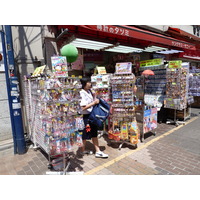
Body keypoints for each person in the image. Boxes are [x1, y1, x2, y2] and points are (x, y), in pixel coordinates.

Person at [79, 77, 108, 158]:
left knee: (94, 132)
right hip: (86, 116)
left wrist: (95, 97)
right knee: (85, 133)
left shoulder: (89, 91)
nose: (90, 83)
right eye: (88, 82)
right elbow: (82, 107)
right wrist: (94, 103)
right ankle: (82, 150)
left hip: (92, 115)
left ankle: (98, 151)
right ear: (84, 84)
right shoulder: (81, 93)